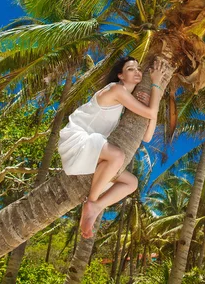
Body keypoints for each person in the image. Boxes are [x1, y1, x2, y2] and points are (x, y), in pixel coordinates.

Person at [58, 56, 169, 238]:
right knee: (117, 156)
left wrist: (152, 107)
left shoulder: (123, 105)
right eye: (131, 69)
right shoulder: (115, 89)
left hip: (92, 147)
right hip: (77, 140)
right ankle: (91, 202)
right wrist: (156, 84)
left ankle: (98, 206)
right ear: (120, 75)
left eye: (138, 69)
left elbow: (147, 136)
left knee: (131, 183)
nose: (137, 72)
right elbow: (150, 112)